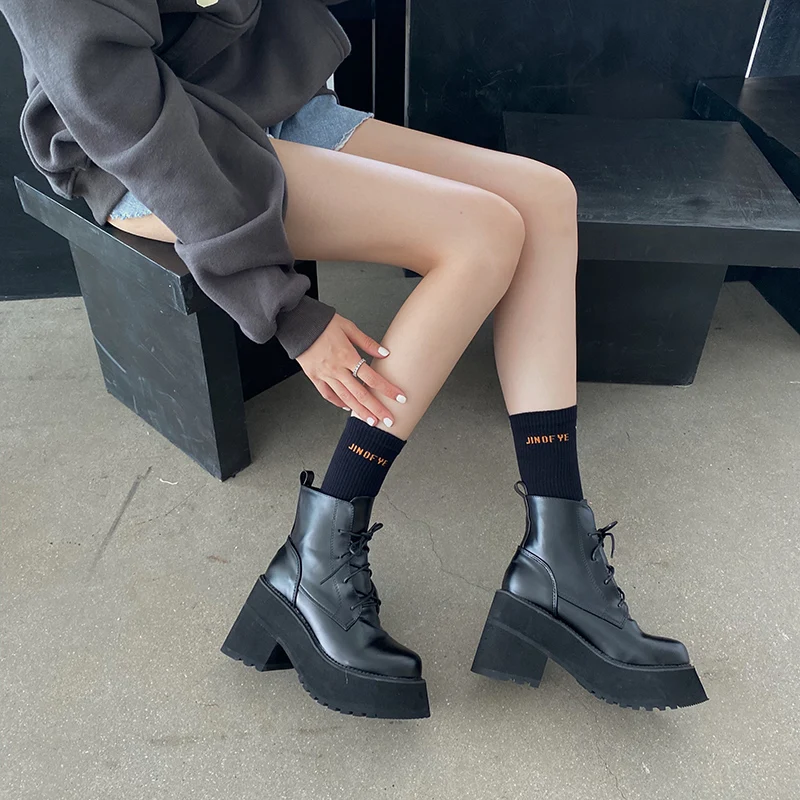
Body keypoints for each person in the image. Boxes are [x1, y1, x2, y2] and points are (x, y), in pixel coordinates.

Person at [1, 0, 707, 719]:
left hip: (253, 101)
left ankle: (559, 556)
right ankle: (315, 558)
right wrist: (283, 307)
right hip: (143, 151)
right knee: (482, 234)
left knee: (545, 197)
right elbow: (116, 106)